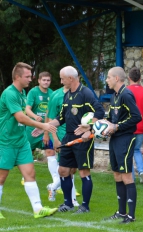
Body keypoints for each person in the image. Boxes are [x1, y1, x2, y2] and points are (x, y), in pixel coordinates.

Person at [43, 66, 105, 214]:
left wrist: (89, 128)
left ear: (71, 78)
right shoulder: (67, 95)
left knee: (83, 171)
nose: (60, 81)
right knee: (63, 170)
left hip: (82, 139)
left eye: (62, 78)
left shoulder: (85, 93)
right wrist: (44, 126)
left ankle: (85, 206)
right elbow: (61, 118)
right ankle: (68, 203)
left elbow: (100, 111)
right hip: (69, 137)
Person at [0, 62, 57, 219]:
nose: (30, 79)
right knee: (2, 177)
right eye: (27, 76)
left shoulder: (22, 93)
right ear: (17, 77)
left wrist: (39, 126)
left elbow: (24, 115)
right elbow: (20, 117)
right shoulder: (10, 93)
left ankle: (38, 209)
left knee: (30, 173)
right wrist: (42, 125)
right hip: (6, 141)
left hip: (21, 141)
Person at [103, 66, 142, 223]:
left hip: (126, 138)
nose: (107, 80)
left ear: (116, 78)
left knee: (126, 175)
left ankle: (131, 216)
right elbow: (111, 119)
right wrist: (104, 126)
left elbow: (136, 117)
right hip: (115, 139)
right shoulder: (114, 96)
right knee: (117, 174)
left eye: (108, 77)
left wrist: (117, 127)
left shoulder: (126, 94)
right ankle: (121, 212)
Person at [22, 72, 60, 194]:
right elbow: (27, 109)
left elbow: (54, 112)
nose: (46, 82)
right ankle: (25, 176)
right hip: (32, 128)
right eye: (44, 80)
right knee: (28, 153)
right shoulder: (33, 92)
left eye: (48, 80)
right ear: (38, 81)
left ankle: (56, 182)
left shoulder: (52, 93)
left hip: (46, 128)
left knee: (50, 151)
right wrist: (35, 117)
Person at [45, 86, 80, 206]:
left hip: (75, 136)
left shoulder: (80, 94)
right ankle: (72, 199)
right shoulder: (56, 95)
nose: (61, 81)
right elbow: (50, 118)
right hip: (61, 137)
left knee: (73, 169)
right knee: (65, 169)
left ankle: (53, 187)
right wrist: (54, 138)